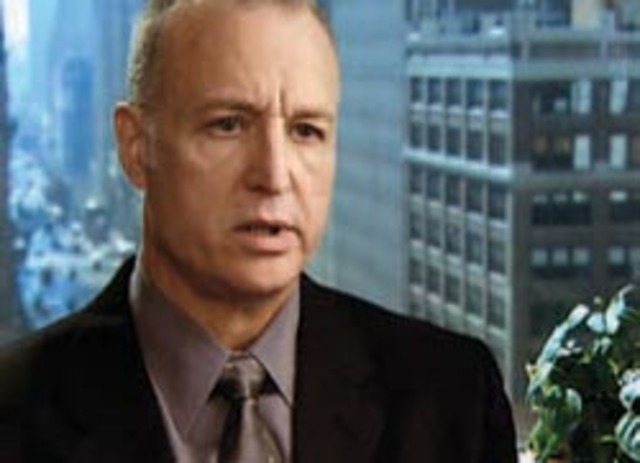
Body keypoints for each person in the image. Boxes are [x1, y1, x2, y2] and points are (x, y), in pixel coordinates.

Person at [0, 0, 518, 461]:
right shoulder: (15, 412)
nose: (273, 175)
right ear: (137, 147)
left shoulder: (452, 397)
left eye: (306, 131)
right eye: (228, 124)